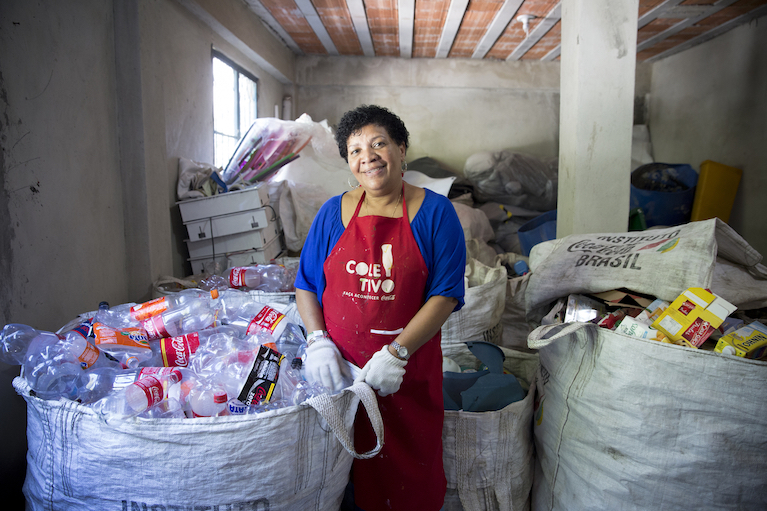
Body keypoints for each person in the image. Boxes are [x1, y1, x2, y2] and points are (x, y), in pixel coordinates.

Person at [295, 104, 466, 511]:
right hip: (341, 376)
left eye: (378, 144)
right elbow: (305, 286)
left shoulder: (435, 213)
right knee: (342, 478)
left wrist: (397, 353)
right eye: (354, 150)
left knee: (408, 476)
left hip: (404, 374)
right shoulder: (332, 213)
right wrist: (318, 342)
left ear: (401, 149)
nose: (367, 156)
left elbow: (444, 294)